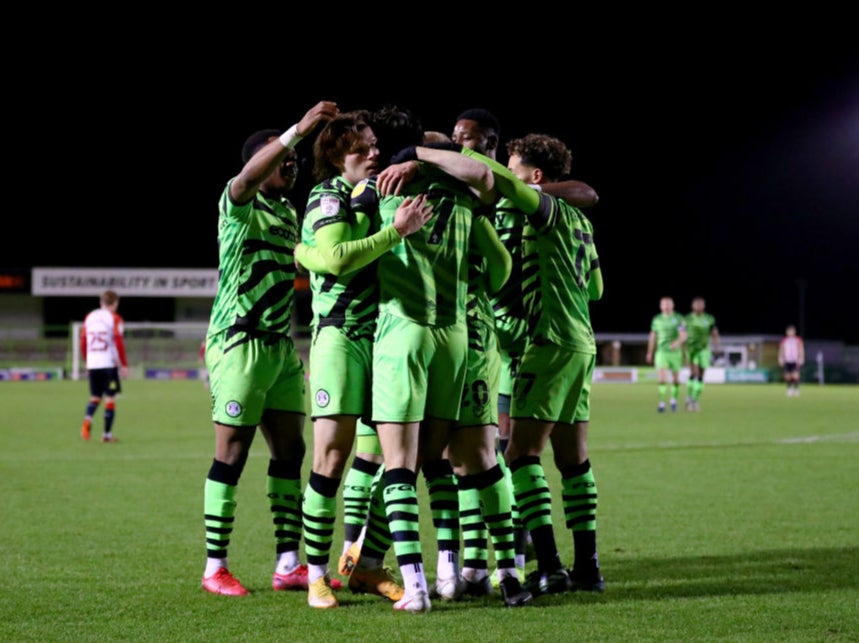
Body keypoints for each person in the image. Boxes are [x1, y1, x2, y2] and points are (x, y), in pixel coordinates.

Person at [347, 105, 518, 612]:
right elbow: (502, 266)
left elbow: (342, 256)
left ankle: (414, 585)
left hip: (402, 333)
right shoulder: (467, 200)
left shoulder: (377, 191)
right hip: (456, 339)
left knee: (394, 465)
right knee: (433, 462)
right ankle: (448, 569)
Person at [200, 100, 338, 597]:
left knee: (290, 452)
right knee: (232, 453)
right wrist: (296, 131)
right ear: (259, 161)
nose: (291, 163)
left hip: (281, 348)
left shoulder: (287, 212)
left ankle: (287, 563)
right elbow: (244, 178)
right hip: (239, 344)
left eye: (294, 160)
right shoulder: (239, 202)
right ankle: (215, 567)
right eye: (281, 158)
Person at [295, 111, 432, 608]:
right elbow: (333, 259)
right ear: (335, 157)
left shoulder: (373, 192)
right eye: (361, 149)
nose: (372, 153)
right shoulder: (327, 195)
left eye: (375, 144)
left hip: (382, 338)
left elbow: (431, 141)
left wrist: (416, 156)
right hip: (338, 338)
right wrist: (395, 232)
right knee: (330, 456)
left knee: (382, 460)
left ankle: (364, 566)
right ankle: (316, 575)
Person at [459, 133, 606, 597]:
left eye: (513, 164)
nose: (506, 169)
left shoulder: (540, 209)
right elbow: (596, 290)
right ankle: (588, 566)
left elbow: (494, 179)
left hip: (545, 343)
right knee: (573, 459)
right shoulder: (581, 223)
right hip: (581, 343)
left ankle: (550, 565)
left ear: (535, 176)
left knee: (520, 455)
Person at [79, 289, 128, 443]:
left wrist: (87, 361)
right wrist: (124, 364)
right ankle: (106, 435)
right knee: (110, 399)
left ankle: (88, 418)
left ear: (101, 303)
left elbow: (83, 342)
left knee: (95, 397)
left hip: (93, 363)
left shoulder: (90, 317)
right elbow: (118, 342)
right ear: (115, 304)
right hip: (108, 364)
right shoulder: (114, 318)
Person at [646, 296, 687, 413]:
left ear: (672, 305)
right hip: (662, 352)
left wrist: (677, 343)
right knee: (662, 378)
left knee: (675, 380)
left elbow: (684, 335)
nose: (666, 306)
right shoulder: (657, 319)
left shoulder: (678, 318)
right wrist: (649, 352)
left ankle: (673, 400)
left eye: (668, 304)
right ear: (660, 306)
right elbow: (652, 336)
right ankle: (662, 402)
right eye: (664, 304)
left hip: (675, 353)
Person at [684, 296, 719, 411]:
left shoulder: (709, 318)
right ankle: (689, 397)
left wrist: (716, 347)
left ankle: (694, 399)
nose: (699, 306)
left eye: (701, 304)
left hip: (704, 349)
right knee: (693, 373)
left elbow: (714, 333)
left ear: (704, 306)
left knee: (701, 375)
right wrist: (682, 348)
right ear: (693, 306)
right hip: (691, 349)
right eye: (696, 304)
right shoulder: (687, 319)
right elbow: (682, 334)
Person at [778, 324, 805, 396]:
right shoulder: (784, 340)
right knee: (787, 376)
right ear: (787, 332)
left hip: (795, 360)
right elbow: (781, 350)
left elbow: (801, 349)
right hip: (787, 360)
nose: (790, 332)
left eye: (791, 331)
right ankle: (789, 389)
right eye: (789, 331)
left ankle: (796, 389)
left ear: (794, 332)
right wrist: (780, 358)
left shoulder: (798, 339)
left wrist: (801, 358)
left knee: (795, 375)